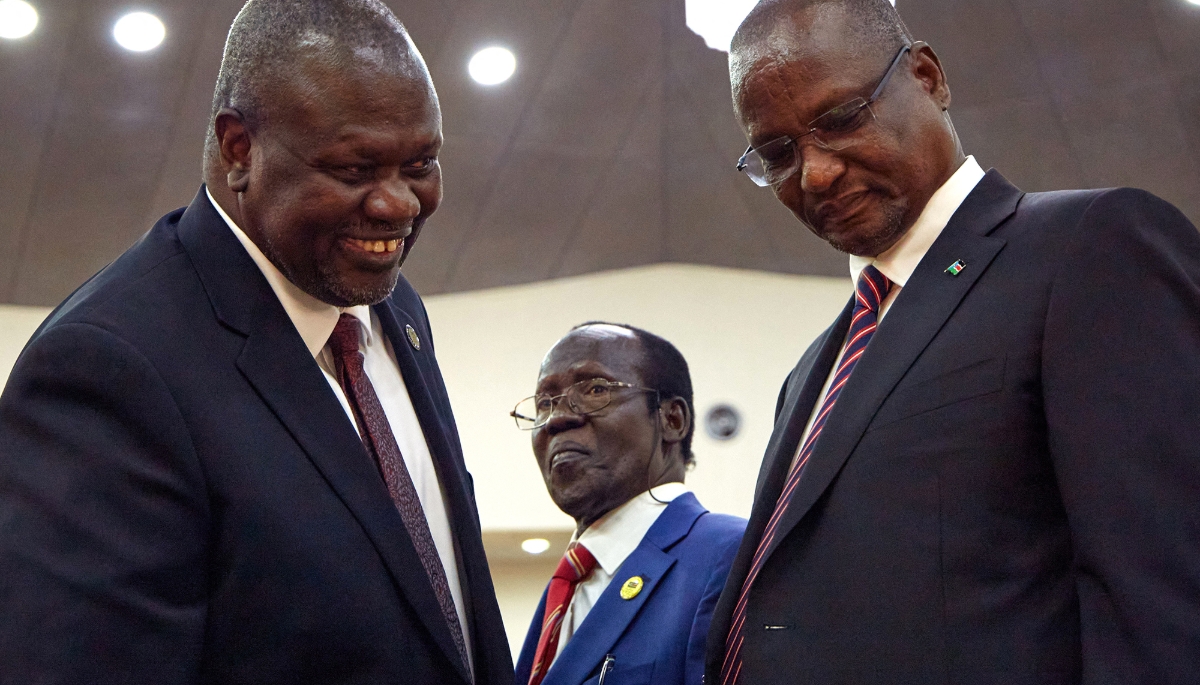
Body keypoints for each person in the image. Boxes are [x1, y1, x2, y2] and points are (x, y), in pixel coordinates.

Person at [0, 1, 513, 683]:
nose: (399, 204)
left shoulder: (395, 309)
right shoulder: (108, 366)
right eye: (354, 169)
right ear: (239, 148)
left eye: (420, 163)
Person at [704, 1, 1200, 684]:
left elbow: (1163, 598)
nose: (815, 173)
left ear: (928, 77)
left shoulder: (1087, 246)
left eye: (841, 118)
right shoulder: (812, 370)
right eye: (777, 154)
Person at [510, 323, 746, 685]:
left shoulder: (732, 555)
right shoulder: (565, 588)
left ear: (672, 419)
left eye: (596, 389)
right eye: (544, 403)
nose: (556, 418)